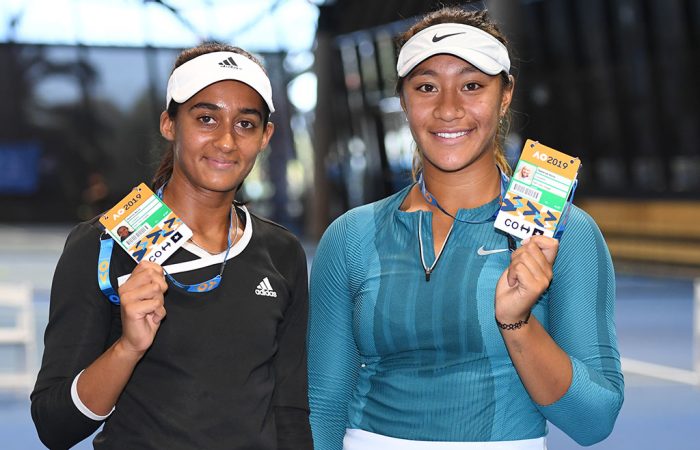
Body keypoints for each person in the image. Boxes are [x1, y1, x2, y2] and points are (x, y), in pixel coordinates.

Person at [308, 7, 623, 450]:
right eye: (426, 87)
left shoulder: (564, 232)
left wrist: (517, 324)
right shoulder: (349, 237)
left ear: (505, 94)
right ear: (403, 100)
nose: (449, 108)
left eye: (472, 85)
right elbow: (323, 406)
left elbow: (595, 420)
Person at [31, 43, 313, 450]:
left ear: (266, 136)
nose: (226, 141)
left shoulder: (282, 252)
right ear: (169, 123)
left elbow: (289, 410)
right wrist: (127, 349)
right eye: (206, 118)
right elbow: (54, 426)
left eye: (246, 124)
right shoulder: (103, 244)